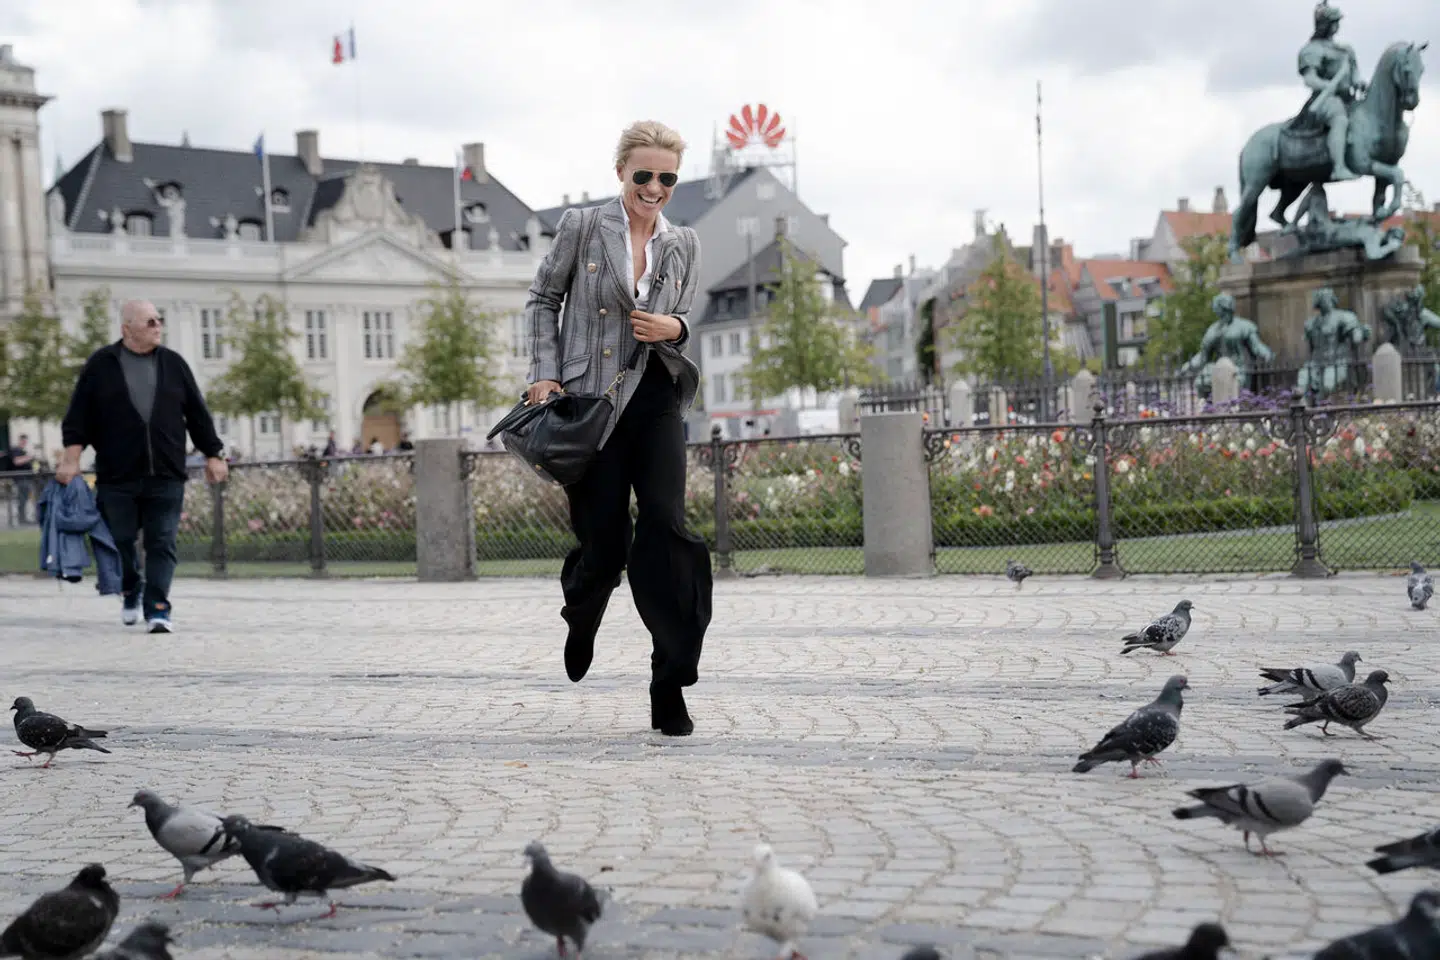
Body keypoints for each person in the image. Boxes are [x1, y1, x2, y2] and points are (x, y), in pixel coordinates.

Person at [524, 119, 711, 736]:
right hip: (592, 402)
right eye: (644, 175)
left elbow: (683, 316)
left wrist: (675, 330)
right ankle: (583, 612)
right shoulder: (583, 226)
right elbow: (543, 299)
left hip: (656, 396)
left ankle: (669, 685)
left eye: (667, 177)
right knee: (603, 544)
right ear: (621, 172)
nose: (655, 187)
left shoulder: (682, 242)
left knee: (668, 530)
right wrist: (545, 375)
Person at [57, 299, 228, 633]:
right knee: (120, 540)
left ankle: (158, 608)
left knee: (162, 542)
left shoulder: (174, 364)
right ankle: (130, 588)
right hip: (116, 476)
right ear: (127, 328)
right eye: (149, 321)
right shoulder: (101, 365)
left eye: (159, 320)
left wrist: (213, 454)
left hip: (166, 473)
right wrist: (71, 459)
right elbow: (79, 417)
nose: (158, 326)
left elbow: (197, 413)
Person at [6, 434, 35, 523]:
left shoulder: (22, 451)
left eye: (25, 441)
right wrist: (29, 457)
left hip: (26, 478)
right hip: (20, 479)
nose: (24, 442)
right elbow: (17, 461)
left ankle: (24, 518)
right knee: (22, 499)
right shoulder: (16, 450)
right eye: (23, 441)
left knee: (25, 499)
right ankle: (22, 519)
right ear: (20, 440)